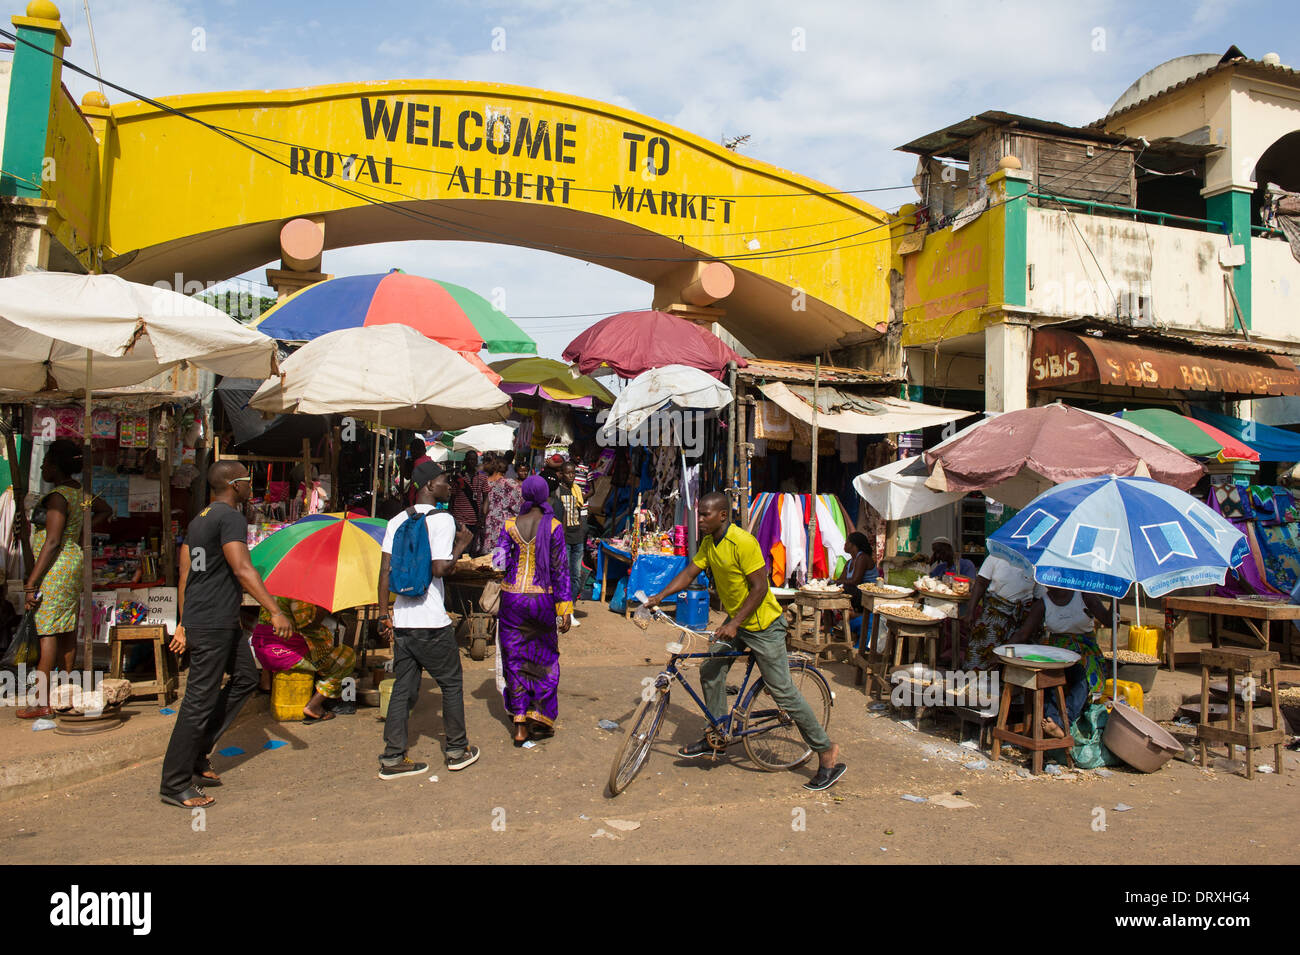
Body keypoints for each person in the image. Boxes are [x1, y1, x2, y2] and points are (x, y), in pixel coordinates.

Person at [644, 492, 846, 792]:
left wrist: (734, 623)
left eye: (705, 515)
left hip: (763, 625)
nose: (699, 520)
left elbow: (760, 587)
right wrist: (659, 597)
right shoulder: (710, 544)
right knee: (710, 670)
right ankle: (717, 734)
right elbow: (689, 573)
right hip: (736, 623)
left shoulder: (743, 543)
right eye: (699, 515)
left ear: (723, 515)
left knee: (783, 692)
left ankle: (826, 752)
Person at [159, 461, 294, 809]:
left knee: (246, 677)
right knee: (198, 702)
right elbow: (242, 567)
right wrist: (275, 610)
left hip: (209, 618)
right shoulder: (231, 517)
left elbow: (186, 574)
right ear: (235, 485)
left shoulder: (200, 518)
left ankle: (199, 755)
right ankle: (175, 782)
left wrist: (185, 621)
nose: (252, 487)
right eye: (249, 481)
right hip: (213, 620)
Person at [377, 460, 478, 779]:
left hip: (404, 620)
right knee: (451, 683)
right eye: (446, 481)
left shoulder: (395, 521)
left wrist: (384, 614)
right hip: (432, 621)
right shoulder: (443, 520)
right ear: (429, 486)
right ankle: (457, 749)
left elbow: (384, 572)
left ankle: (393, 757)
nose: (450, 486)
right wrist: (461, 546)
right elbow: (439, 569)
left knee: (402, 688)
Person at [19, 439, 111, 719]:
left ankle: (42, 701)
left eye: (46, 463)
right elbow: (105, 510)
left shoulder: (58, 496)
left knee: (48, 632)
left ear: (57, 467)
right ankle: (67, 690)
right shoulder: (79, 492)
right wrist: (80, 532)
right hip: (72, 563)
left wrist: (32, 582)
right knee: (67, 627)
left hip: (55, 568)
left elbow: (52, 542)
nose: (44, 467)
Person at [491, 475, 573, 745]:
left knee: (514, 660)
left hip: (513, 598)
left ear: (525, 494)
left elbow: (498, 562)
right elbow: (561, 570)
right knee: (545, 657)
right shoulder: (555, 526)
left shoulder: (510, 524)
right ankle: (540, 714)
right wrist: (565, 609)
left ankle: (519, 724)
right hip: (542, 600)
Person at [1012, 586, 1109, 738]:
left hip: (1085, 650)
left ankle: (1063, 723)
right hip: (1057, 652)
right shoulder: (1043, 603)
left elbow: (1109, 621)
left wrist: (1117, 602)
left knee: (1082, 679)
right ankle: (1053, 722)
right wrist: (1003, 651)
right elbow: (1024, 633)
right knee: (1048, 678)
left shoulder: (1085, 596)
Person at [252, 597, 356, 722]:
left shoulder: (272, 590)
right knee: (347, 656)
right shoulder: (298, 595)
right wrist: (323, 609)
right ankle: (314, 706)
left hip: (263, 648)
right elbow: (308, 625)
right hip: (284, 654)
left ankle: (266, 685)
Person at [961, 553, 1038, 670]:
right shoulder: (998, 554)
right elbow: (981, 582)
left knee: (1012, 666)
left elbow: (1038, 598)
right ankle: (973, 685)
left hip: (1020, 619)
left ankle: (1004, 687)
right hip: (993, 615)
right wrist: (970, 612)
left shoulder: (1036, 563)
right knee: (980, 660)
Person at [550, 461, 587, 624]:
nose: (571, 476)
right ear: (562, 474)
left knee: (576, 576)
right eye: (568, 473)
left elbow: (583, 511)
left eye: (573, 473)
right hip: (563, 538)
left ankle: (569, 609)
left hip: (577, 538)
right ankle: (561, 609)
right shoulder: (557, 492)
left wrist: (583, 529)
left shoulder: (577, 491)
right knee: (562, 574)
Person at [482, 452, 522, 567]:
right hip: (502, 529)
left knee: (483, 566)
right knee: (499, 566)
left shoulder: (484, 482)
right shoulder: (510, 485)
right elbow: (518, 507)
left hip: (486, 528)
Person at [449, 450, 486, 553]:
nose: (471, 461)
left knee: (471, 550)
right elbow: (452, 498)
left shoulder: (482, 478)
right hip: (459, 519)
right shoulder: (458, 478)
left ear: (476, 461)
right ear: (465, 461)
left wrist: (482, 517)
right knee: (459, 549)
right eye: (469, 459)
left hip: (475, 520)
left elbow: (486, 498)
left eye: (473, 459)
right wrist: (450, 516)